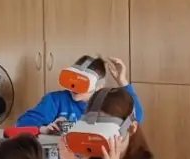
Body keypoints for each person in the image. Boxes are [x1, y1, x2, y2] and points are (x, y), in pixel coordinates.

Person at [15, 53, 144, 129]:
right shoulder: (55, 100)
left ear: (99, 86)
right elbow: (23, 123)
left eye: (82, 83)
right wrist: (44, 129)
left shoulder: (107, 103)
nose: (74, 87)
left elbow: (135, 117)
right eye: (73, 80)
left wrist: (122, 81)